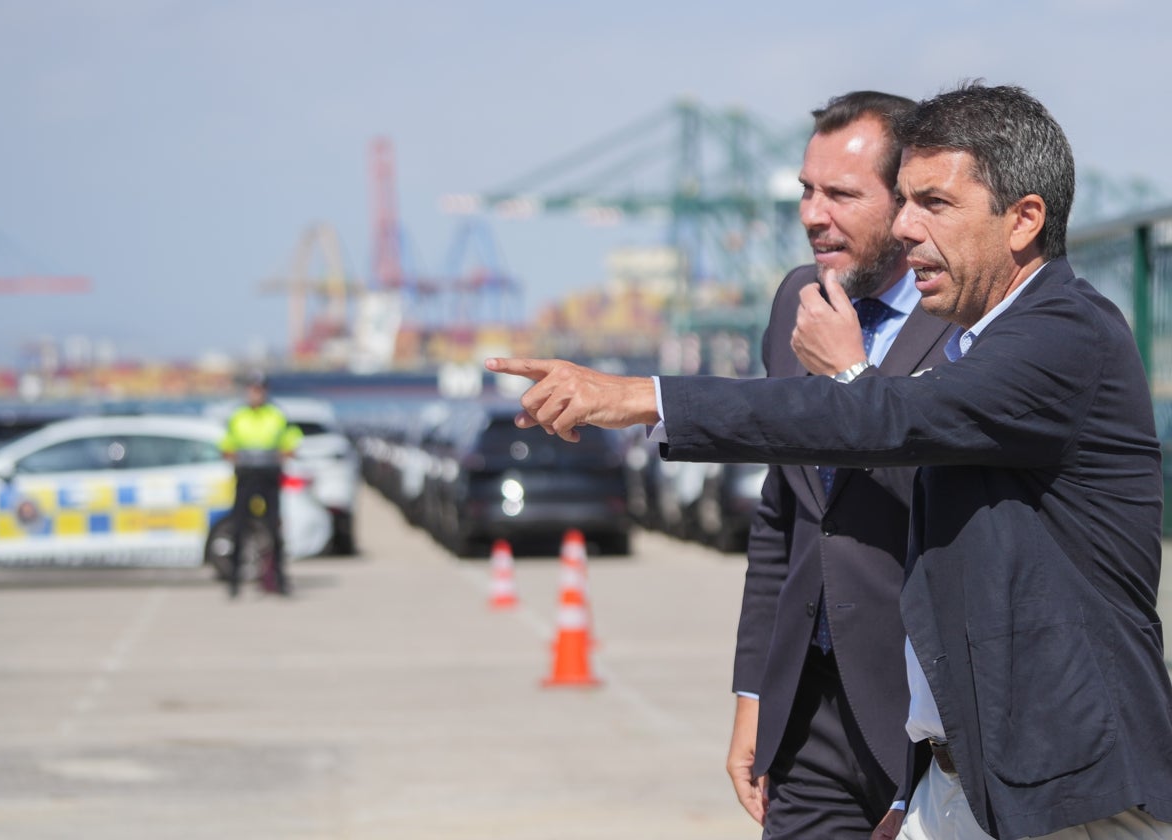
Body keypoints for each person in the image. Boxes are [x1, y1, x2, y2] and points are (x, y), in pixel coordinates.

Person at [486, 82, 1172, 839]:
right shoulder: (968, 335)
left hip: (1067, 793)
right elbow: (862, 543)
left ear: (1024, 220)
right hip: (953, 778)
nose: (907, 228)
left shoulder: (1064, 336)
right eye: (903, 201)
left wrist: (649, 397)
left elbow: (898, 421)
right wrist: (923, 789)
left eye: (934, 204)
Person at [726, 90, 956, 840]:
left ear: (906, 205)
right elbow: (782, 517)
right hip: (808, 715)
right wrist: (753, 696)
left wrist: (849, 377)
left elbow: (948, 495)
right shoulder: (797, 298)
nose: (811, 214)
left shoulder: (962, 316)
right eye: (806, 190)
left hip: (929, 717)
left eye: (841, 194)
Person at [218, 371, 302, 598]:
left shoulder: (275, 414)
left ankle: (280, 579)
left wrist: (288, 450)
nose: (257, 393)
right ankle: (234, 583)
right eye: (253, 389)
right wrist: (230, 454)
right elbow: (226, 443)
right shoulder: (238, 416)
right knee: (238, 529)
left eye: (260, 389)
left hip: (269, 477)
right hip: (245, 477)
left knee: (274, 529)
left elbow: (291, 438)